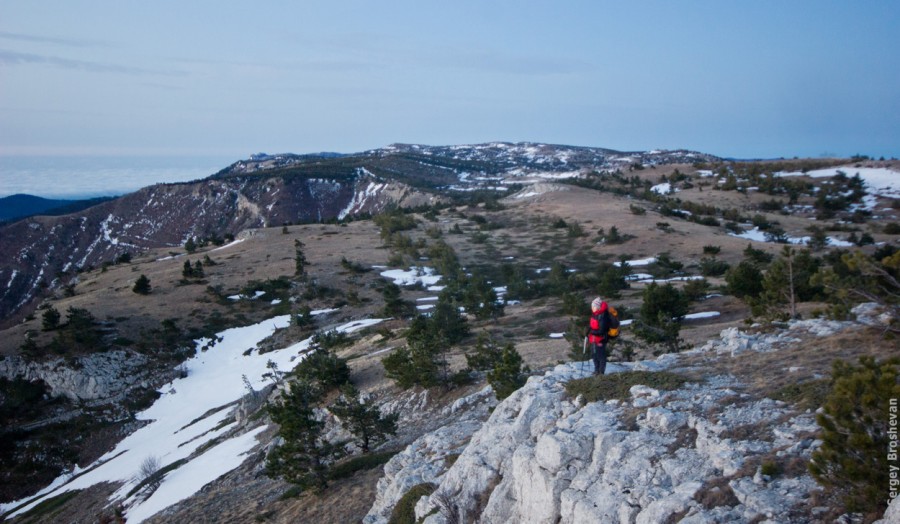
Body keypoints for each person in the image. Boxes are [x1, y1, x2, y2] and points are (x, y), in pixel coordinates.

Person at [586, 297, 611, 375]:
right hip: (593, 339)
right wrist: (588, 329)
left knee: (601, 356)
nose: (592, 308)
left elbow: (602, 330)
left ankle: (601, 372)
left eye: (593, 306)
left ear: (597, 307)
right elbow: (593, 325)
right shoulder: (595, 314)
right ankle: (596, 370)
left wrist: (591, 332)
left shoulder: (603, 316)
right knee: (594, 355)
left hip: (601, 339)